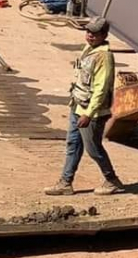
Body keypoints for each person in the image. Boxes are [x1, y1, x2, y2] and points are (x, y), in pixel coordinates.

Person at [45, 16, 125, 196]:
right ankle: (66, 182)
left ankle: (112, 180)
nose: (90, 35)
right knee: (72, 144)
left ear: (104, 35)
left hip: (91, 113)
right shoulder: (88, 49)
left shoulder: (103, 56)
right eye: (88, 31)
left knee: (93, 149)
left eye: (95, 33)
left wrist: (89, 114)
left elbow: (101, 88)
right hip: (77, 106)